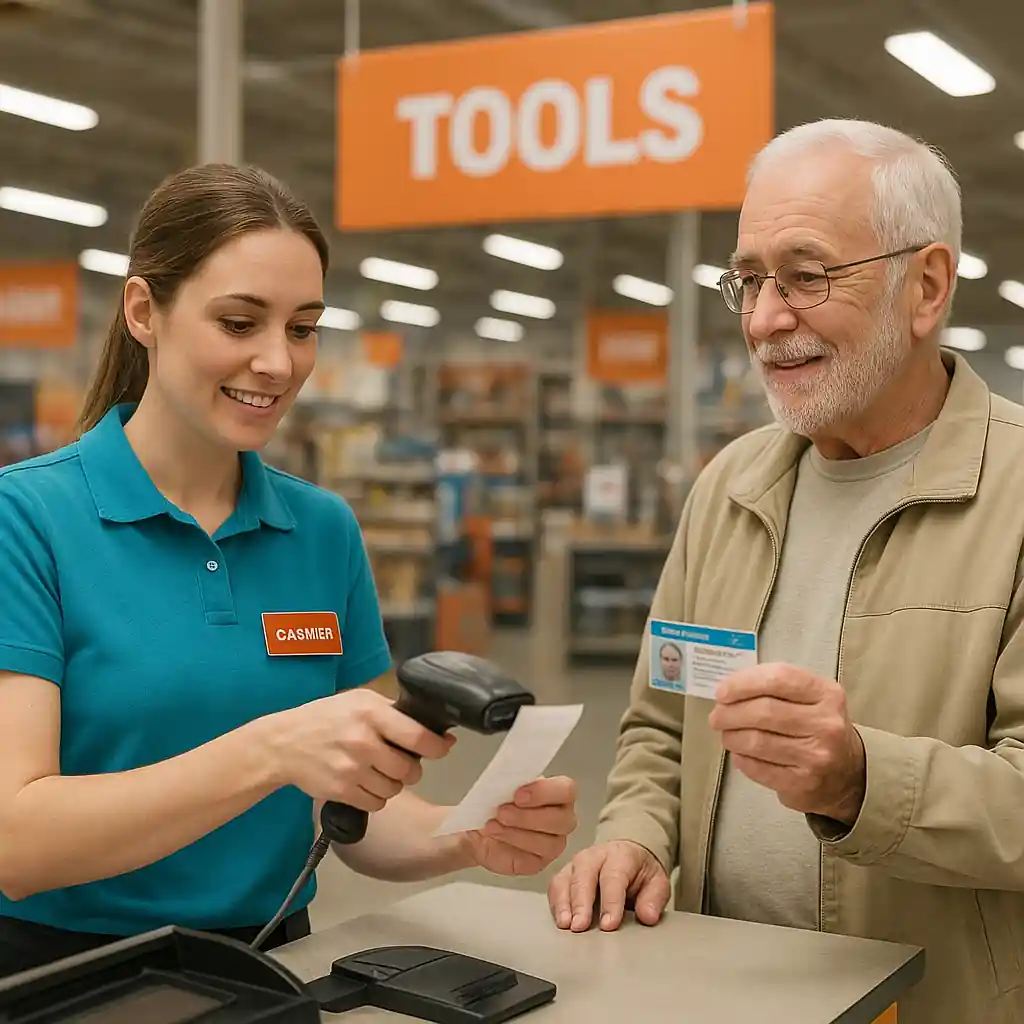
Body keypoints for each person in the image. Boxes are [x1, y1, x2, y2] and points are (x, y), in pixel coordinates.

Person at [0, 163, 578, 979]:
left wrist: (465, 833)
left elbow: (355, 807)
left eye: (303, 329)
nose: (278, 362)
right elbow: (16, 844)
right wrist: (272, 750)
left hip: (275, 969)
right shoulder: (26, 519)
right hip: (66, 981)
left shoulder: (322, 531)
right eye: (239, 323)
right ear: (143, 312)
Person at [548, 118, 1024, 1024]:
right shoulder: (731, 487)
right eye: (750, 280)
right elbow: (661, 726)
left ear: (926, 286)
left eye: (807, 276)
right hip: (719, 993)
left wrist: (860, 781)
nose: (765, 320)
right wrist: (635, 837)